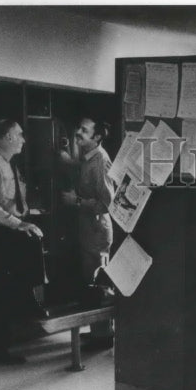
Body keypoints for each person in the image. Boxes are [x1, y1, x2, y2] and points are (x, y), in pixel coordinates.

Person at [0, 119, 46, 365]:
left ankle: (27, 303)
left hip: (6, 228)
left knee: (12, 281)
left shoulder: (7, 164)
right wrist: (18, 223)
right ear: (7, 137)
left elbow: (10, 201)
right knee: (0, 291)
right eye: (19, 134)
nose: (23, 139)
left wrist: (26, 216)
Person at [61, 118, 115, 347]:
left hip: (96, 230)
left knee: (98, 284)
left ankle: (103, 337)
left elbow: (107, 203)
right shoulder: (87, 158)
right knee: (90, 281)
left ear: (97, 137)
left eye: (84, 130)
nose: (78, 132)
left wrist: (77, 201)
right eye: (79, 127)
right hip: (88, 229)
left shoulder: (100, 160)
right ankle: (98, 333)